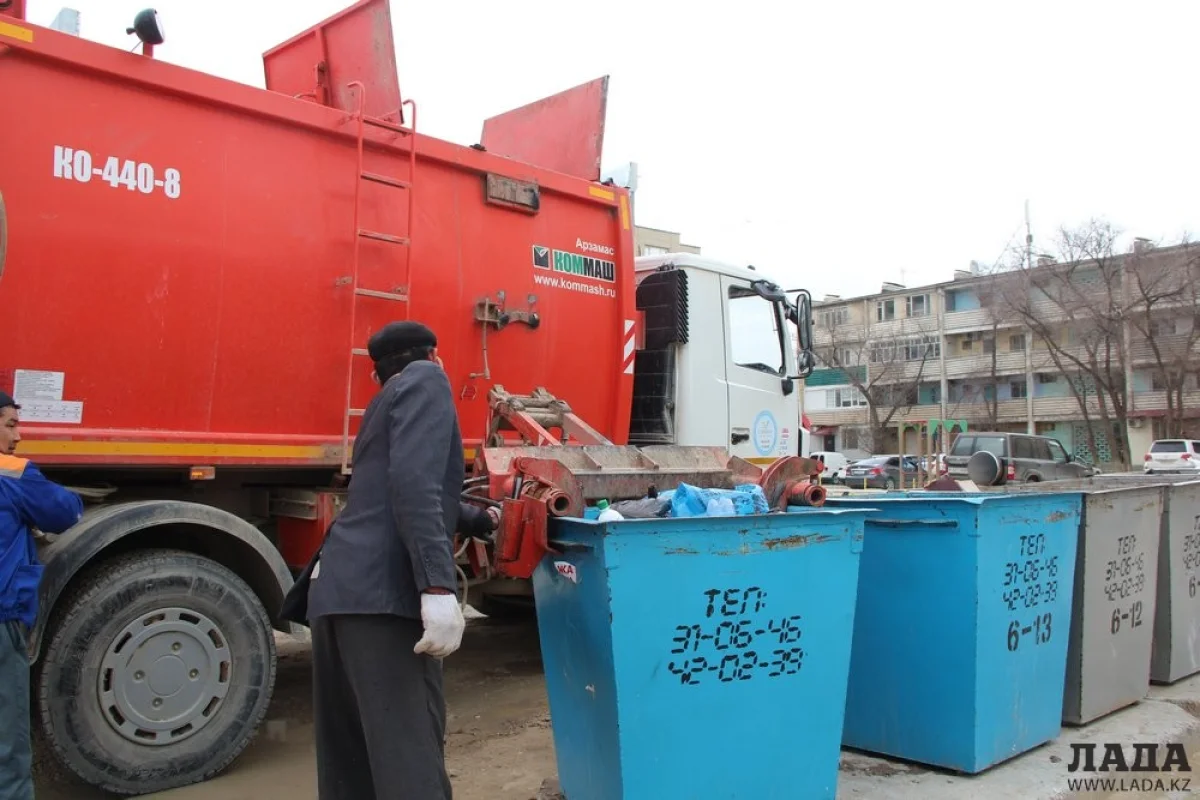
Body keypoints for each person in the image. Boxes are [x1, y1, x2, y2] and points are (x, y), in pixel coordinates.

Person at [305, 321, 496, 800]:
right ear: (434, 358)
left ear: (377, 375)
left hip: (337, 594)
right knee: (410, 764)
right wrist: (437, 587)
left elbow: (398, 486)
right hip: (383, 599)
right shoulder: (428, 381)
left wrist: (480, 520)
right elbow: (415, 483)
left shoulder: (382, 399)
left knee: (351, 764)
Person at [0, 392, 84, 800]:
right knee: (7, 745)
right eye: (10, 424)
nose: (18, 435)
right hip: (2, 622)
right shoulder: (12, 474)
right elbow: (64, 510)